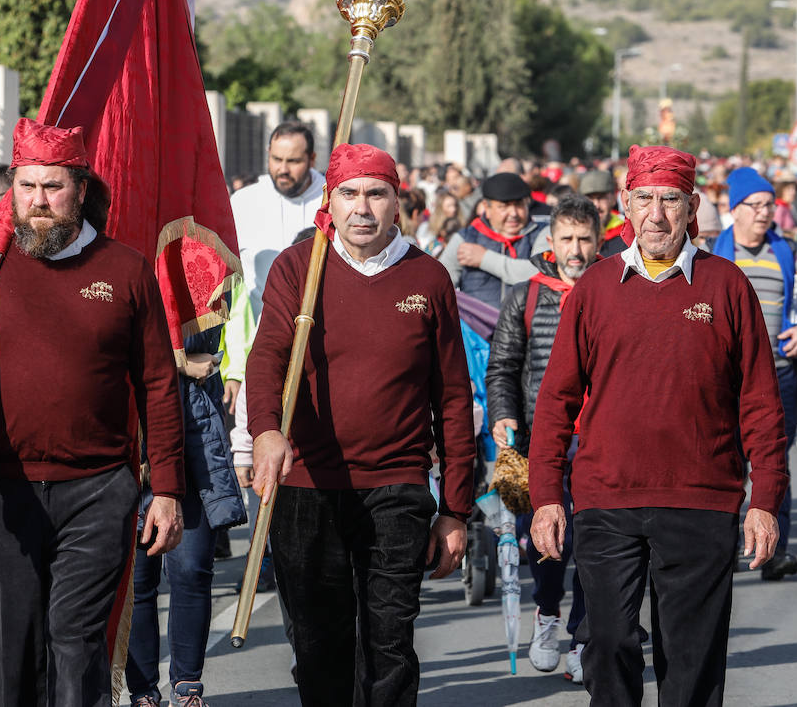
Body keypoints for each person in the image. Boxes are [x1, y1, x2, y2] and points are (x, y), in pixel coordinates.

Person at [0, 118, 184, 707]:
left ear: (81, 189)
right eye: (28, 186)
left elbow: (159, 383)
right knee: (10, 650)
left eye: (53, 187)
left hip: (98, 490)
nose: (38, 201)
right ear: (12, 187)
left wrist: (165, 487)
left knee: (76, 643)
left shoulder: (126, 269)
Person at [529, 144, 787, 707]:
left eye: (670, 199)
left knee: (692, 661)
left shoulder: (726, 286)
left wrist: (765, 499)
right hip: (605, 501)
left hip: (701, 501)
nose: (657, 214)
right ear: (625, 204)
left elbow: (761, 404)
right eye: (644, 199)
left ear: (692, 206)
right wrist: (546, 494)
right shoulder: (595, 289)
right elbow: (556, 401)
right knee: (607, 641)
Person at [248, 143, 475, 707]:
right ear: (330, 201)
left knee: (388, 643)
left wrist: (455, 509)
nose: (363, 208)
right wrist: (265, 430)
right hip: (307, 486)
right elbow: (267, 358)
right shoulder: (297, 270)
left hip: (396, 487)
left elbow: (452, 397)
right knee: (319, 645)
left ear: (399, 202)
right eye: (348, 194)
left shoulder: (428, 278)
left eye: (377, 194)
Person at [485, 196, 600, 683]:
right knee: (549, 540)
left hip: (600, 442)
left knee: (596, 544)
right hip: (540, 441)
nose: (576, 249)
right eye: (567, 239)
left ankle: (584, 636)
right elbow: (503, 366)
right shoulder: (525, 295)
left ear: (599, 241)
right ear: (550, 242)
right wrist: (504, 414)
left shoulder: (614, 289)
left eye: (585, 239)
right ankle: (547, 612)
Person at [126, 324, 246, 707]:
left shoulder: (198, 272)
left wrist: (195, 363)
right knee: (137, 581)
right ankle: (143, 692)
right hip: (133, 447)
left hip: (191, 444)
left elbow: (211, 354)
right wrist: (178, 362)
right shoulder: (123, 270)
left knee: (192, 570)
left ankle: (187, 686)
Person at [710, 167, 797, 581]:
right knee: (724, 466)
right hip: (726, 381)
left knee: (775, 463)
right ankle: (723, 547)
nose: (764, 212)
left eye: (770, 205)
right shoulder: (716, 256)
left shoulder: (786, 251)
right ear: (734, 210)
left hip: (778, 376)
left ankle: (776, 551)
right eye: (754, 205)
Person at [224, 122, 326, 516]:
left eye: (294, 161)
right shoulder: (243, 202)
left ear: (312, 160)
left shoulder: (332, 198)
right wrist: (233, 367)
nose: (283, 169)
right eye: (276, 160)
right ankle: (264, 555)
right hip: (258, 345)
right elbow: (228, 290)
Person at [439, 172, 550, 309]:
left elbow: (541, 273)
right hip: (477, 327)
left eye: (519, 205)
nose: (513, 213)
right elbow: (440, 286)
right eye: (504, 207)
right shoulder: (465, 238)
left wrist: (485, 259)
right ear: (487, 207)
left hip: (527, 327)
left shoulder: (543, 233)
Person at [580, 168, 626, 256]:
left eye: (601, 197)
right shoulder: (573, 233)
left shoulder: (627, 235)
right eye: (590, 198)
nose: (596, 205)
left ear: (613, 199)